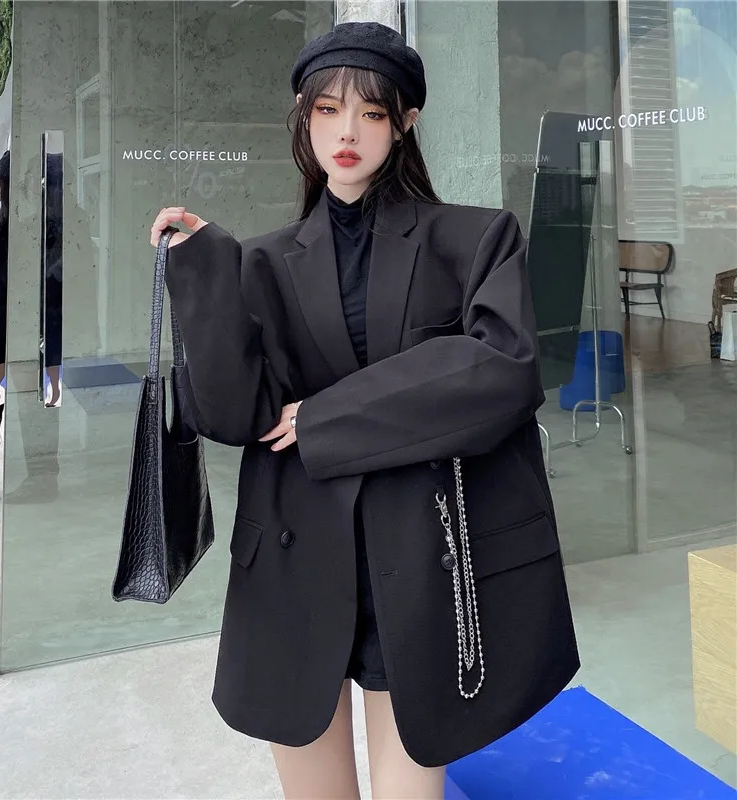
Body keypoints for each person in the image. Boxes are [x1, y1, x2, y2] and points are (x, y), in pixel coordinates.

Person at [150, 22, 579, 800]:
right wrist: (206, 275)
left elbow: (503, 371)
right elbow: (235, 416)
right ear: (303, 117)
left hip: (420, 560)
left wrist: (323, 418)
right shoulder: (261, 261)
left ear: (405, 122)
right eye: (328, 110)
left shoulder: (475, 239)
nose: (347, 132)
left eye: (372, 112)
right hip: (292, 560)